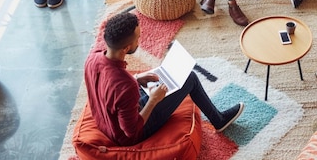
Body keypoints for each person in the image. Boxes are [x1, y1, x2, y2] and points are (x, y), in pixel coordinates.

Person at [84, 11, 245, 146]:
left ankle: (216, 117)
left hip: (106, 121)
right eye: (138, 39)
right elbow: (131, 130)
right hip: (128, 136)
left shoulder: (93, 57)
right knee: (190, 77)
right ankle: (219, 120)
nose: (139, 42)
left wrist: (137, 79)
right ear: (126, 48)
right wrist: (153, 100)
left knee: (160, 80)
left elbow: (111, 88)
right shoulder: (125, 86)